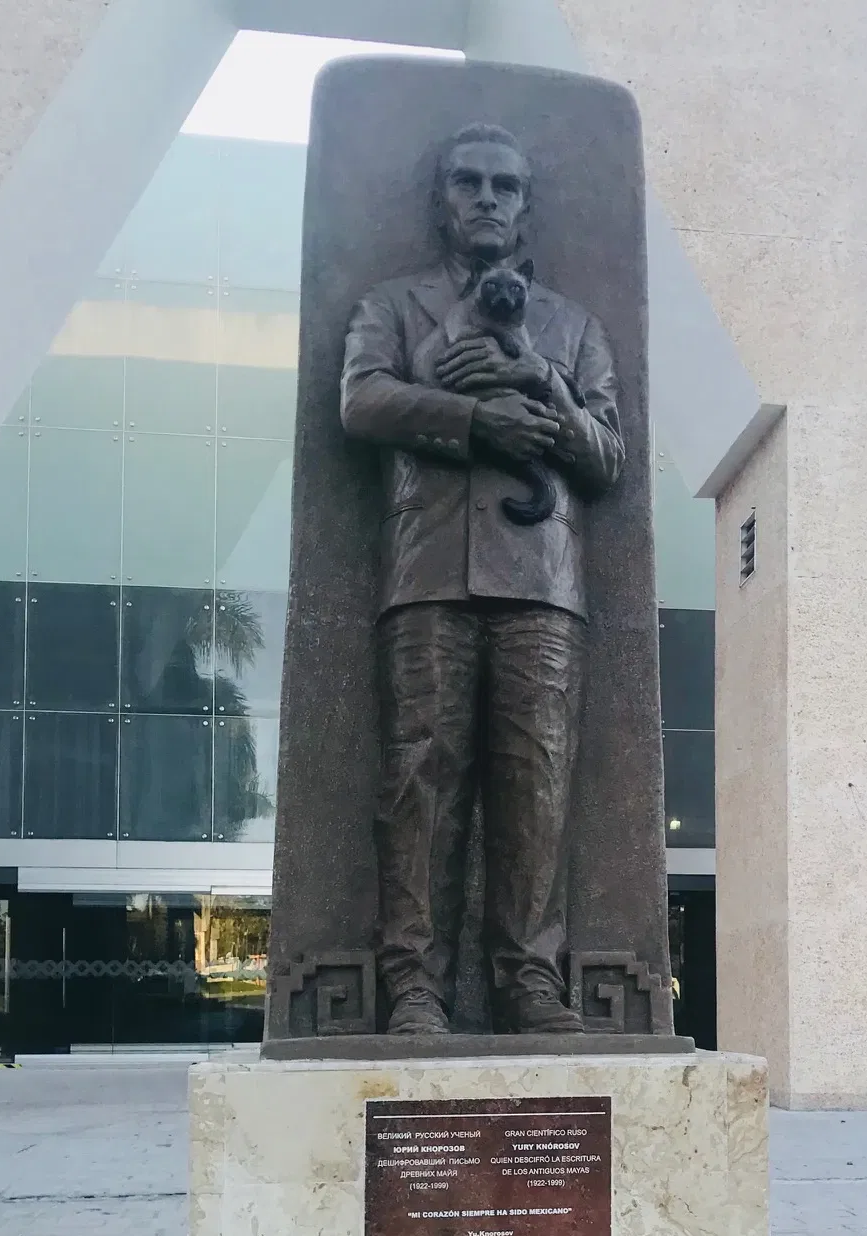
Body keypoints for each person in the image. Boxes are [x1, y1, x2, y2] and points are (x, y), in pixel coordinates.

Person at [341, 123, 624, 1036]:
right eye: (468, 182)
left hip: (543, 581)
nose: (488, 198)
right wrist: (471, 422)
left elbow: (609, 457)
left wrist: (539, 384)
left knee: (536, 784)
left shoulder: (575, 329)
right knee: (420, 782)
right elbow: (362, 400)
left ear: (526, 205)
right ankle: (414, 985)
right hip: (427, 574)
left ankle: (529, 981)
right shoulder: (393, 305)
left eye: (506, 185)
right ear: (442, 200)